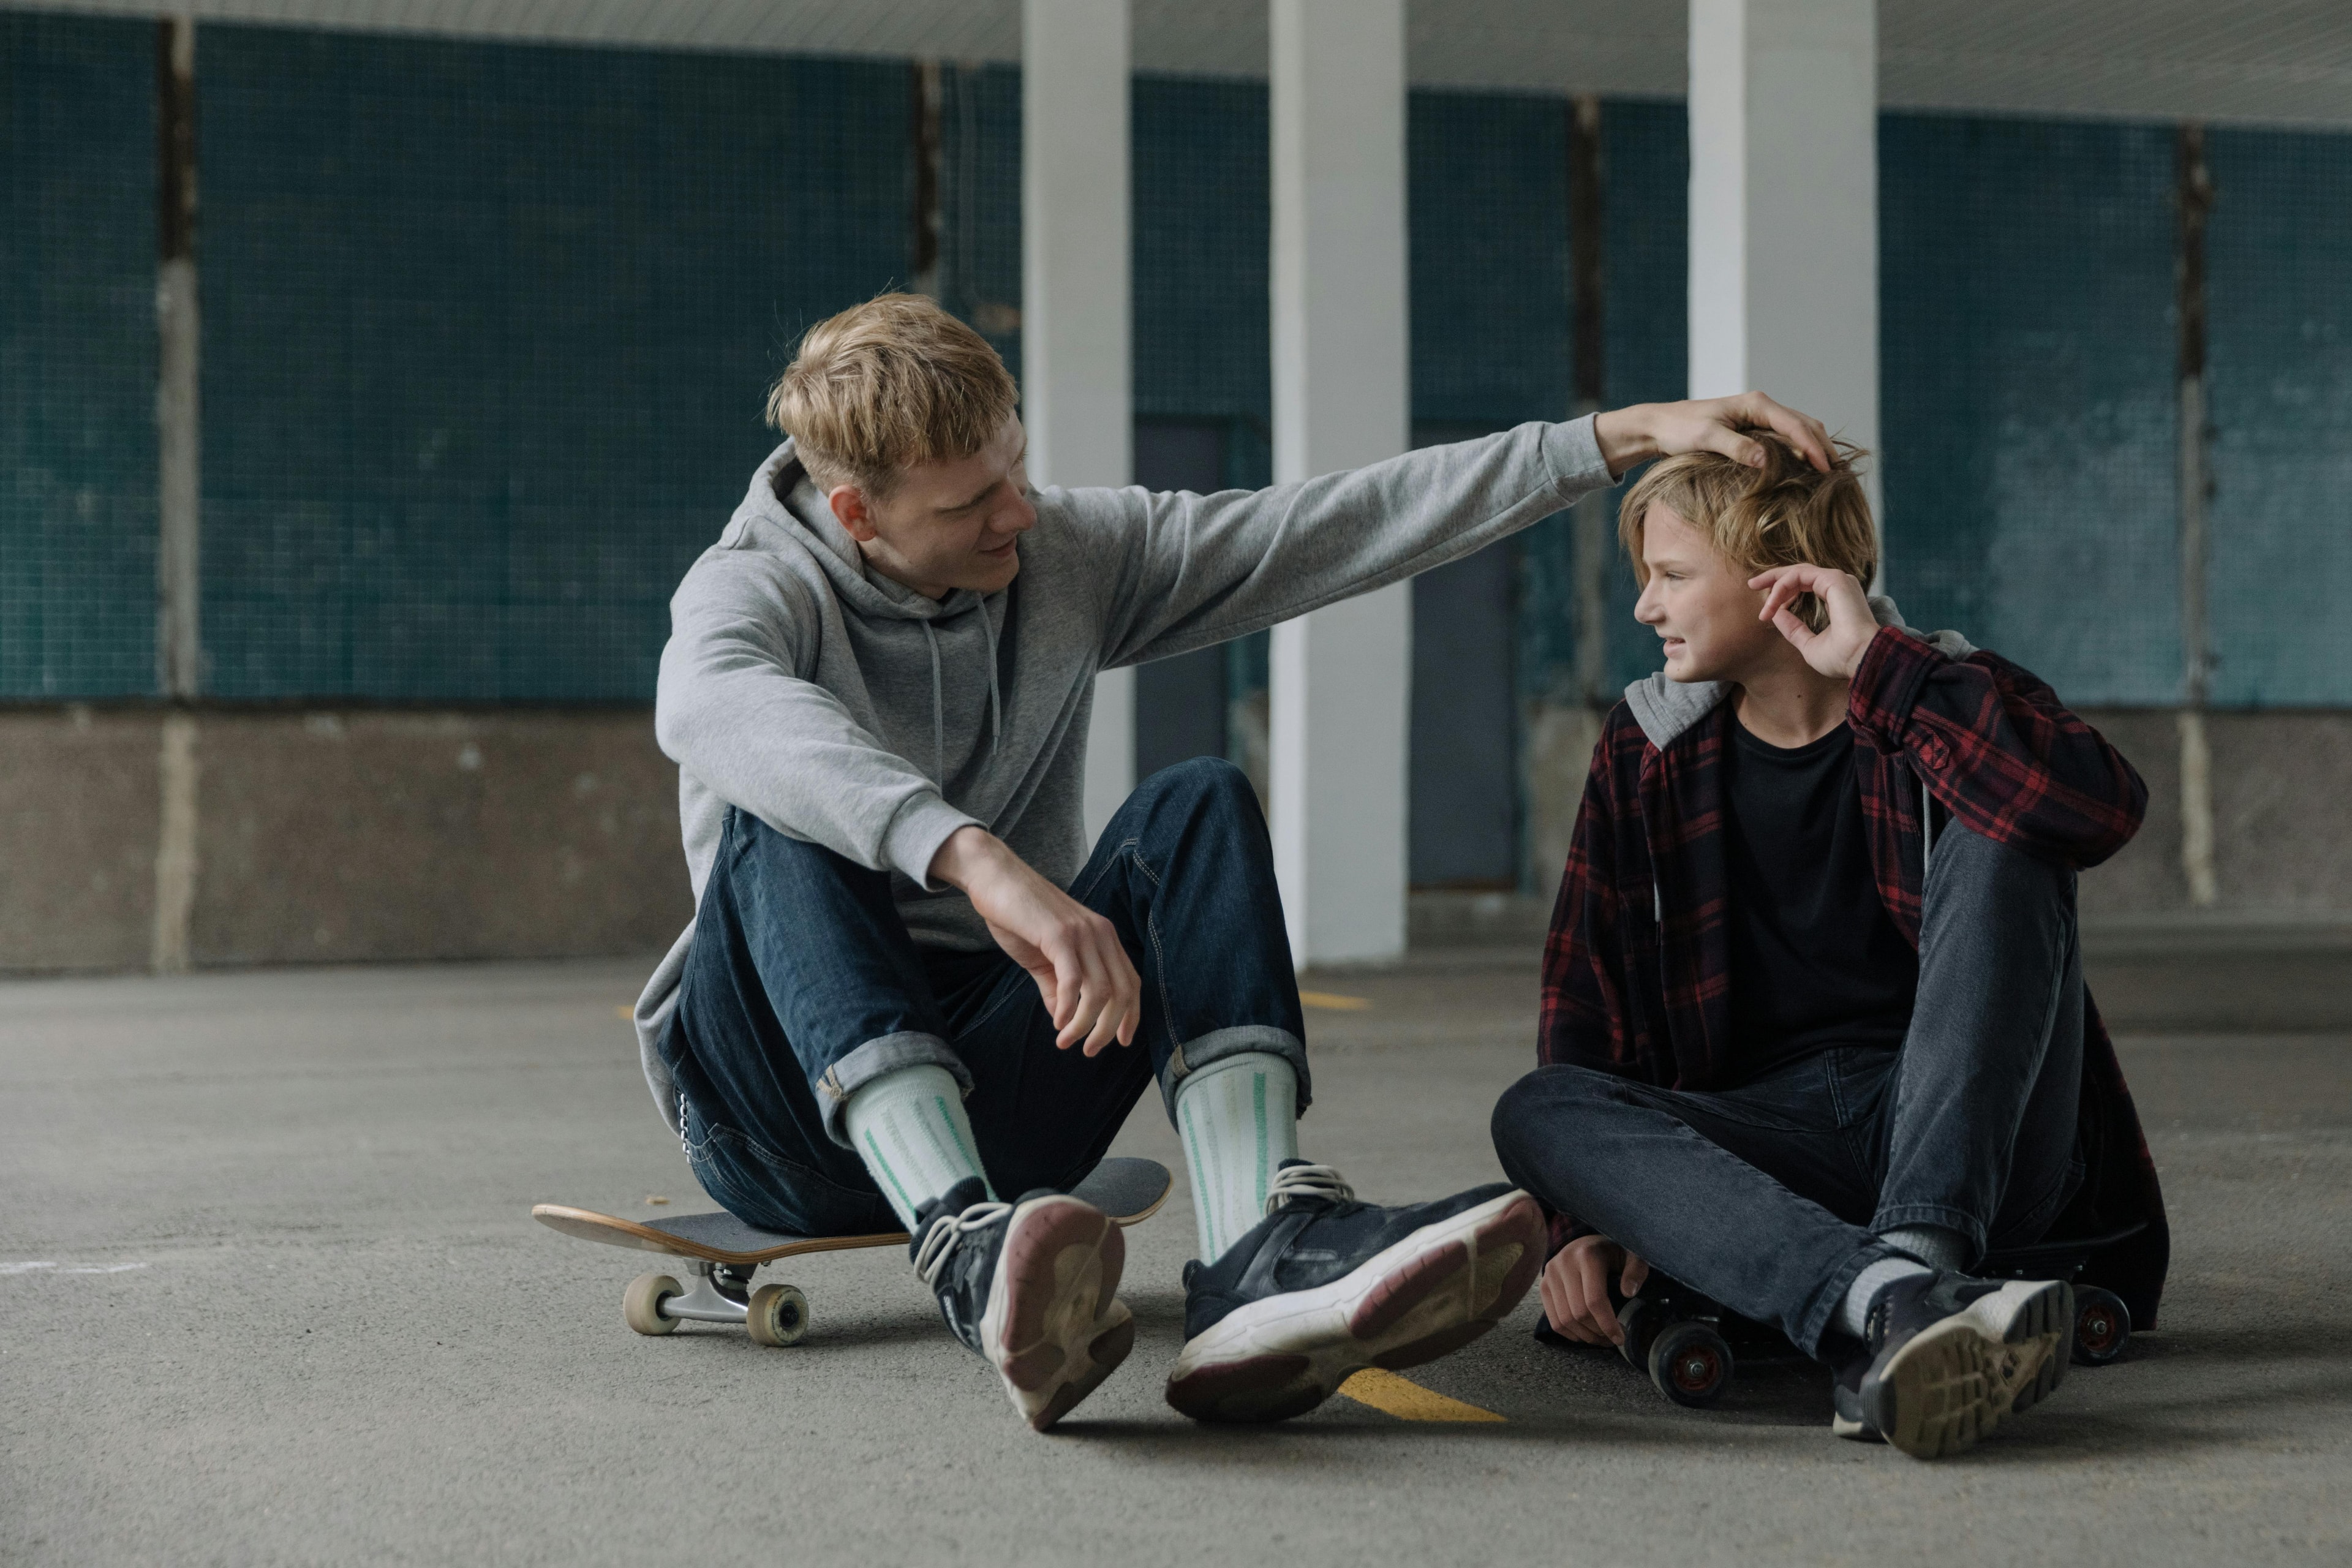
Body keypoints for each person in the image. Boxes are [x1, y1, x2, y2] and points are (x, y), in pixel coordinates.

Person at [633, 291, 1834, 1431]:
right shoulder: (753, 590)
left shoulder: (1059, 553)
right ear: (857, 513)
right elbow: (712, 704)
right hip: (782, 1116)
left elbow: (1327, 525)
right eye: (970, 503)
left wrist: (1616, 438)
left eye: (1018, 465)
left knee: (1194, 803)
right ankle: (960, 1244)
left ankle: (1263, 1246)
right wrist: (979, 861)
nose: (1018, 513)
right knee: (782, 808)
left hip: (1005, 1089)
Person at [1489, 437, 2170, 1458]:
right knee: (1539, 1109)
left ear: (1776, 580)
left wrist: (1881, 673)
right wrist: (1580, 1219)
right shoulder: (1647, 748)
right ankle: (1889, 1301)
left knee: (2007, 809)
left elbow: (2100, 807)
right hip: (1770, 1143)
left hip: (1977, 1134)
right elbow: (1587, 997)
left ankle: (1913, 1256)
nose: (1646, 608)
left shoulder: (1946, 692)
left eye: (1671, 577)